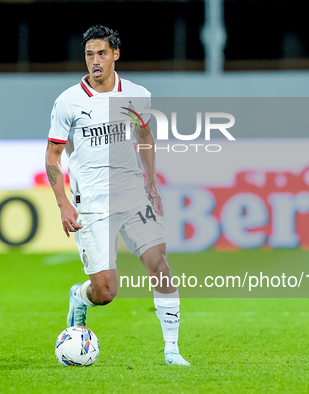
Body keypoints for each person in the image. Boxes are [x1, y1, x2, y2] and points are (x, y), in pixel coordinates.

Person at [45, 25, 190, 366]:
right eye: (89, 55)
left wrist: (151, 184)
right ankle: (80, 297)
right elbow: (53, 156)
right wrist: (63, 202)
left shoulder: (137, 94)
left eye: (101, 53)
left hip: (133, 195)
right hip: (92, 202)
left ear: (115, 54)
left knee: (161, 266)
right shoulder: (69, 101)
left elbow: (145, 136)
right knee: (106, 292)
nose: (95, 61)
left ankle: (172, 351)